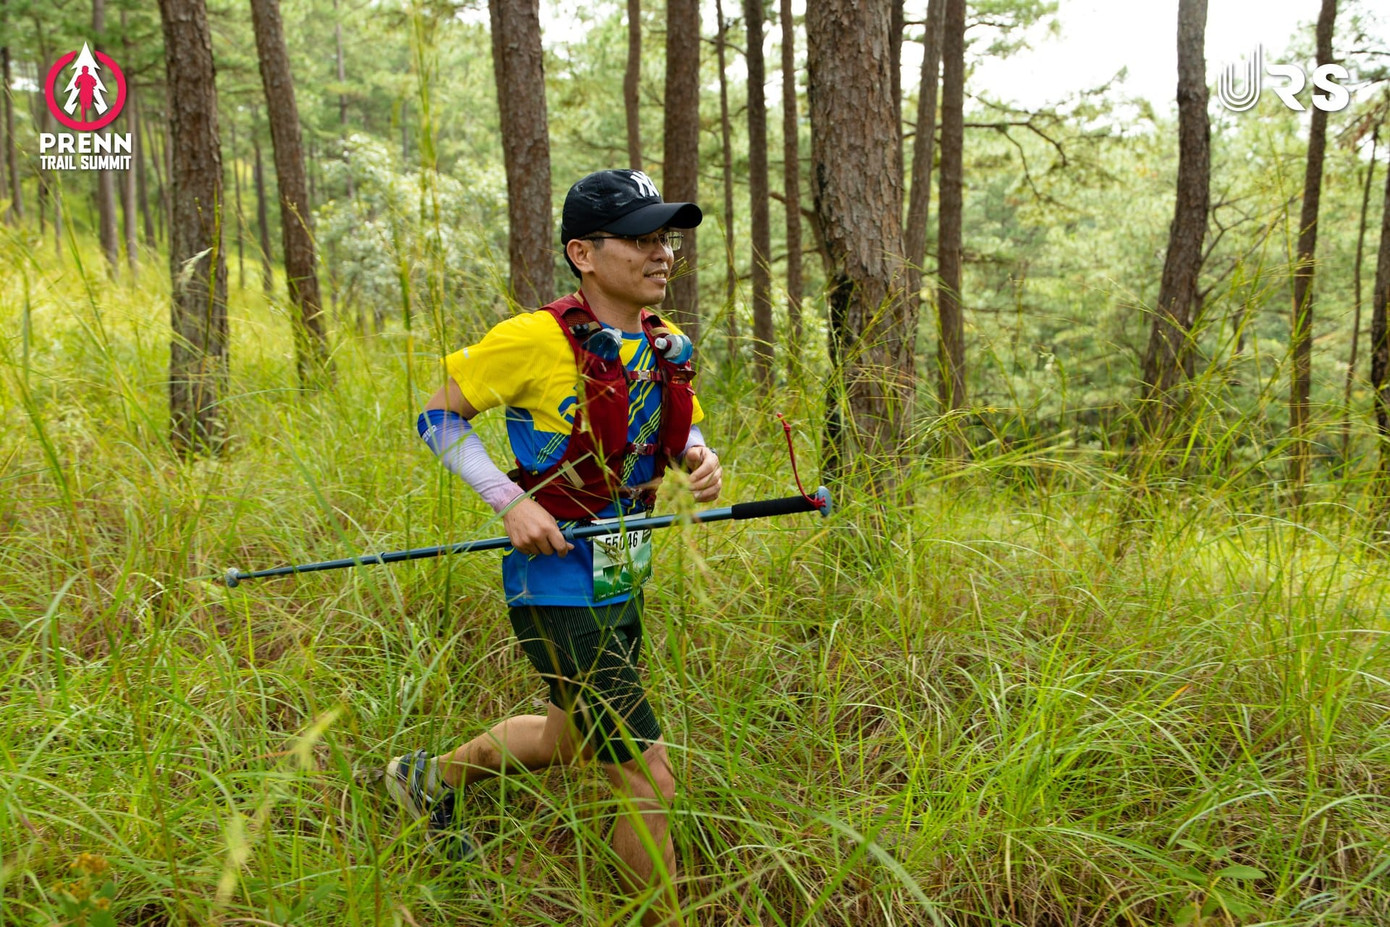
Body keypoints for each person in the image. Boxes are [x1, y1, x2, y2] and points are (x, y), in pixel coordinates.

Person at [386, 169, 721, 925]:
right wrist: (510, 502)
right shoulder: (533, 339)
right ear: (583, 253)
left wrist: (701, 458)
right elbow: (439, 417)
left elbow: (682, 423)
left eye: (665, 238)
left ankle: (426, 780)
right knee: (647, 776)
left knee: (572, 739)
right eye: (639, 239)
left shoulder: (665, 343)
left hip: (622, 575)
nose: (662, 253)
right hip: (556, 586)